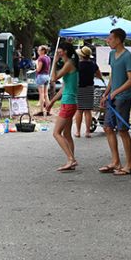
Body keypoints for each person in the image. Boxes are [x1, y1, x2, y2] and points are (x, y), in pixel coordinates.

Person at [98, 28, 131, 176]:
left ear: (119, 39)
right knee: (107, 127)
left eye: (110, 38)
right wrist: (106, 93)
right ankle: (115, 161)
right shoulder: (112, 54)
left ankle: (129, 164)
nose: (108, 41)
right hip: (112, 97)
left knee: (123, 130)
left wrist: (116, 92)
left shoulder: (127, 56)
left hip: (123, 98)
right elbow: (113, 77)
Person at [49, 42, 80, 171]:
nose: (57, 52)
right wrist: (52, 101)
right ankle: (71, 160)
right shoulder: (71, 64)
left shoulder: (69, 64)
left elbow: (53, 78)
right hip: (70, 102)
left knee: (56, 133)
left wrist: (54, 62)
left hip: (68, 103)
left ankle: (71, 159)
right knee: (67, 133)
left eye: (59, 50)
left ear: (65, 51)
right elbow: (64, 87)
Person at [74, 46, 102, 138]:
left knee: (79, 110)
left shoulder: (77, 65)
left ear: (81, 55)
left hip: (79, 88)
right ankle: (87, 131)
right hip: (89, 88)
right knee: (88, 110)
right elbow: (99, 75)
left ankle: (78, 131)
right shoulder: (93, 64)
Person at [34, 45, 52, 117]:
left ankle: (41, 111)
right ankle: (48, 111)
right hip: (47, 76)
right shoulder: (48, 58)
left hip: (41, 76)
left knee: (41, 94)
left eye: (39, 50)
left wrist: (36, 64)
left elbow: (38, 69)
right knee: (46, 94)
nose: (38, 51)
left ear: (43, 51)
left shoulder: (41, 58)